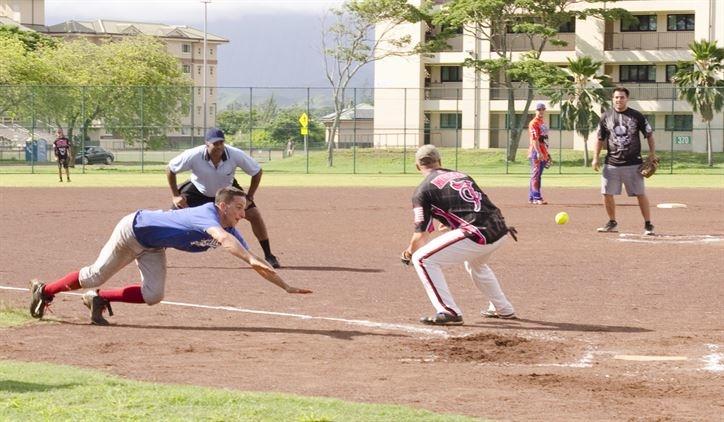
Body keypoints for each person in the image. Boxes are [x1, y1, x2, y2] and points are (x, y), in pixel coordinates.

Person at [29, 186, 311, 325]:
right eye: (238, 207)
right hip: (133, 231)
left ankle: (99, 299)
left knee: (153, 295)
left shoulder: (231, 229)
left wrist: (284, 286)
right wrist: (248, 259)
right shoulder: (208, 215)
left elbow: (256, 261)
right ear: (222, 206)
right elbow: (223, 240)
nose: (243, 213)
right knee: (94, 275)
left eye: (245, 208)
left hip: (154, 245)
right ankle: (45, 291)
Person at [401, 145, 519, 326]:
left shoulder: (422, 190)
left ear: (417, 167)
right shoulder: (461, 175)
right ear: (440, 162)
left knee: (422, 259)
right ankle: (503, 309)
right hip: (501, 228)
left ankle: (449, 311)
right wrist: (451, 222)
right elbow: (473, 204)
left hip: (477, 233)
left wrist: (409, 252)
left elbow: (421, 236)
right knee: (476, 265)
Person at [166, 128, 281, 268]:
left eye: (221, 142)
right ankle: (157, 249)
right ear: (206, 144)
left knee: (254, 215)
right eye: (215, 143)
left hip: (226, 191)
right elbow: (170, 169)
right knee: (171, 217)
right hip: (198, 189)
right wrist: (175, 196)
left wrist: (250, 196)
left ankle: (269, 255)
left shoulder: (235, 154)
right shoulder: (193, 155)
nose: (219, 146)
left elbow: (257, 171)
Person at [592, 86, 656, 235]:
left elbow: (649, 135)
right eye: (616, 97)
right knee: (606, 193)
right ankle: (612, 222)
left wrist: (652, 154)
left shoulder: (636, 116)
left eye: (622, 97)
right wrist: (596, 157)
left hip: (633, 163)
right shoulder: (605, 117)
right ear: (612, 99)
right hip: (611, 163)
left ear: (627, 99)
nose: (619, 100)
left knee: (640, 193)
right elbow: (600, 138)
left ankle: (648, 224)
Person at [527, 103, 550, 205]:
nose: (541, 111)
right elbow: (535, 139)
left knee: (537, 175)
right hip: (535, 152)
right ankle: (537, 197)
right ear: (535, 110)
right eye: (539, 109)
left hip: (542, 151)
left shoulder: (542, 122)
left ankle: (532, 197)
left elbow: (544, 139)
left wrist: (546, 153)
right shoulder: (534, 123)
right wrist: (538, 152)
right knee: (536, 175)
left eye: (543, 109)